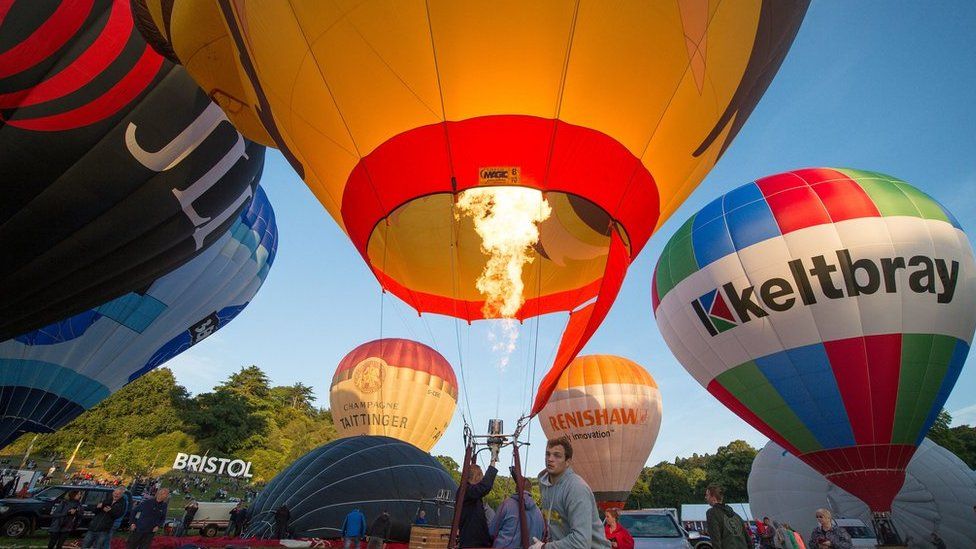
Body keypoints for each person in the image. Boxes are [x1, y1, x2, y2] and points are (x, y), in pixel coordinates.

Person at [533, 436, 610, 549]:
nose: (550, 459)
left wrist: (545, 547)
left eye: (557, 455)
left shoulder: (576, 488)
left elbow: (581, 542)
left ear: (568, 462)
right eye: (547, 454)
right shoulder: (545, 485)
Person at [458, 459, 498, 548]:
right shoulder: (466, 491)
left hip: (477, 542)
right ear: (477, 476)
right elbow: (484, 487)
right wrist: (492, 463)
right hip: (472, 543)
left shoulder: (472, 494)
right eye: (481, 476)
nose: (482, 479)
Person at [704, 484, 750, 549]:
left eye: (707, 495)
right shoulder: (736, 515)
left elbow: (716, 539)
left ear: (713, 497)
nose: (705, 497)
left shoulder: (712, 513)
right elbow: (748, 538)